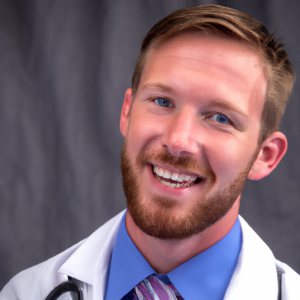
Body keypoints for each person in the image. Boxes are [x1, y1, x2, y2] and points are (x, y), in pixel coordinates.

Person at [1, 4, 299, 300]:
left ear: (265, 156)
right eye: (162, 101)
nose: (178, 140)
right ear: (127, 113)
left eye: (221, 118)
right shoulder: (24, 293)